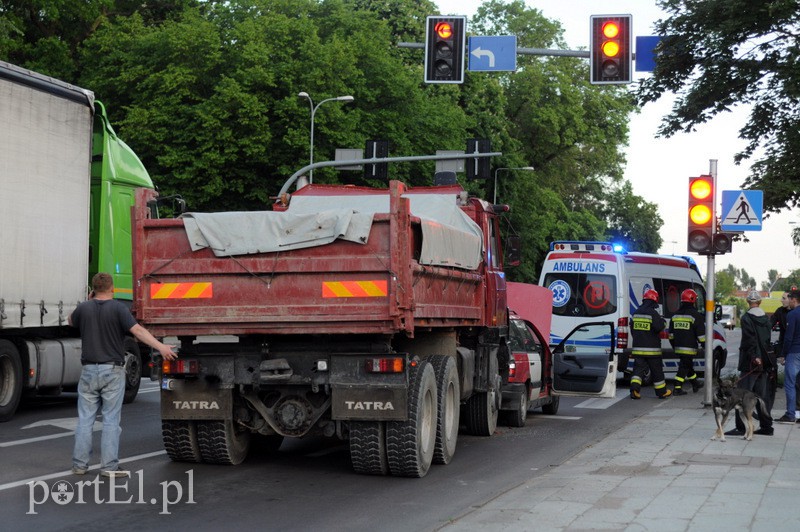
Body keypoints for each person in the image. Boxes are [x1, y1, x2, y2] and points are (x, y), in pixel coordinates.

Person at [69, 272, 177, 477]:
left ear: (93, 289)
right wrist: (161, 347)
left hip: (89, 370)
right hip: (112, 370)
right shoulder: (118, 309)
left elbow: (70, 321)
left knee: (85, 419)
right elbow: (138, 331)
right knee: (110, 420)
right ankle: (109, 467)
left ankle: (79, 465)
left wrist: (89, 301)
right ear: (112, 288)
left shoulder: (84, 308)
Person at [726, 290, 774, 435]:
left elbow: (749, 339)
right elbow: (766, 340)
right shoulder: (766, 319)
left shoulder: (746, 318)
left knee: (741, 395)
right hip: (764, 362)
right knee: (762, 397)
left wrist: (754, 356)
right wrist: (762, 358)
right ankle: (766, 427)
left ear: (748, 302)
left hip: (750, 362)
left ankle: (741, 427)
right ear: (760, 302)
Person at [630, 289, 672, 399]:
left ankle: (634, 390)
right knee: (657, 371)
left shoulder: (636, 313)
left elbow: (632, 330)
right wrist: (663, 321)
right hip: (652, 350)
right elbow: (658, 327)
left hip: (638, 349)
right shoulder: (653, 313)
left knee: (638, 370)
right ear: (654, 300)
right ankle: (661, 392)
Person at [668, 289, 705, 395]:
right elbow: (701, 336)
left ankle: (695, 383)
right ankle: (677, 387)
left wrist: (674, 346)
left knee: (687, 365)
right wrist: (705, 346)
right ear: (692, 300)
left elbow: (670, 335)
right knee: (684, 367)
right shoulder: (695, 315)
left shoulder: (675, 315)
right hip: (689, 348)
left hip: (677, 347)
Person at [777, 289, 800, 424]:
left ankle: (790, 414)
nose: (788, 302)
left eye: (789, 299)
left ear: (794, 300)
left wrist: (784, 354)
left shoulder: (792, 314)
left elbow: (788, 337)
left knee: (790, 384)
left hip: (794, 352)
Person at [770, 291, 790, 417]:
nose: (781, 300)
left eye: (784, 298)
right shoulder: (780, 311)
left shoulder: (795, 313)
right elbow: (770, 324)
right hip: (784, 345)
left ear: (792, 299)